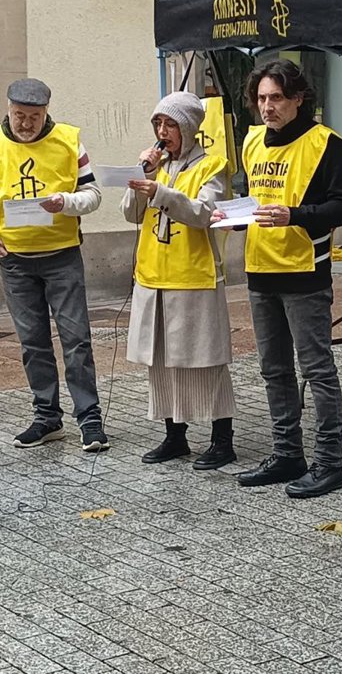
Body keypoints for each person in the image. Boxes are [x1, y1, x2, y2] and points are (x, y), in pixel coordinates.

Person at [212, 59, 342, 498]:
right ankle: (287, 452)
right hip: (260, 268)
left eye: (276, 98)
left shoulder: (327, 143)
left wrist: (295, 215)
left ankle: (330, 462)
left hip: (305, 271)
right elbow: (255, 197)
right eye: (261, 98)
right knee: (274, 370)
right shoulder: (253, 140)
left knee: (317, 369)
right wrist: (234, 217)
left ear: (298, 99)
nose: (267, 107)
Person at [0, 78, 107, 452]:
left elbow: (92, 194)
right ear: (8, 110)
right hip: (14, 260)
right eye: (19, 115)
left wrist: (66, 202)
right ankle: (46, 418)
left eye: (34, 117)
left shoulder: (68, 141)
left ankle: (89, 419)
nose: (26, 124)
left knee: (76, 339)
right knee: (33, 343)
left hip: (62, 256)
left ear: (46, 113)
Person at [122, 92, 236, 470]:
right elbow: (130, 214)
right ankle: (175, 435)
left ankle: (223, 440)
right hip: (153, 277)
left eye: (170, 124)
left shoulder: (213, 165)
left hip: (194, 277)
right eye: (158, 123)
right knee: (161, 361)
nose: (162, 132)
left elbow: (205, 212)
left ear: (188, 128)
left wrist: (161, 192)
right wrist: (144, 176)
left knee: (205, 361)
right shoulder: (156, 166)